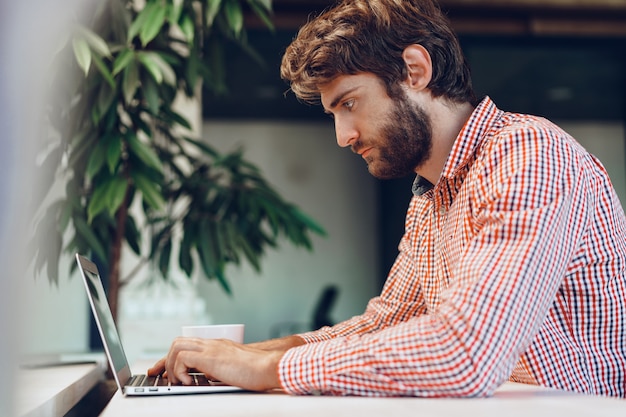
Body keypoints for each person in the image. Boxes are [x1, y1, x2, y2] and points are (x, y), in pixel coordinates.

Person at [148, 0, 626, 397]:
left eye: (349, 103)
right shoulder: (431, 198)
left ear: (415, 70)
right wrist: (255, 355)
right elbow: (384, 324)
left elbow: (466, 352)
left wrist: (270, 372)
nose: (342, 136)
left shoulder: (529, 154)